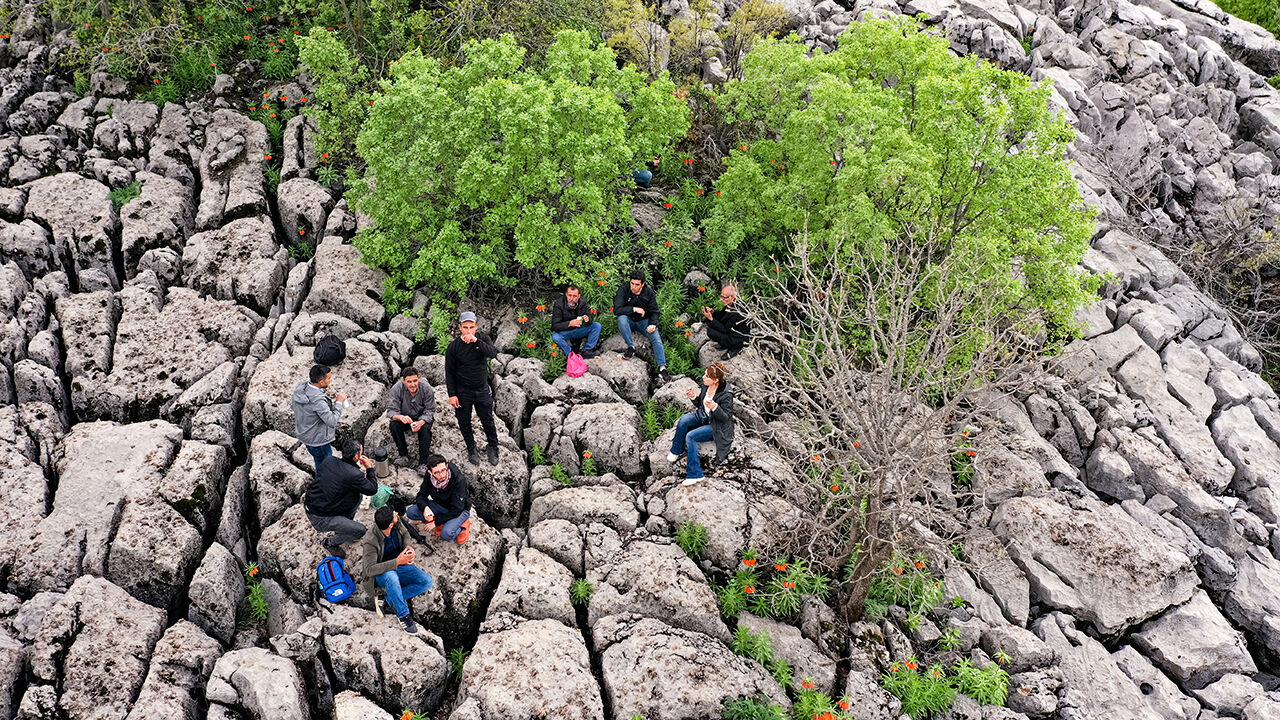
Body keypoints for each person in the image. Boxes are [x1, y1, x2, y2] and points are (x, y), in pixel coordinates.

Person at [358, 506, 433, 635]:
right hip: (380, 574)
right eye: (394, 514)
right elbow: (369, 569)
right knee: (391, 576)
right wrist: (397, 561)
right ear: (390, 524)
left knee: (426, 582)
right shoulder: (370, 541)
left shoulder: (397, 523)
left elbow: (406, 534)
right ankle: (403, 614)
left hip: (400, 565)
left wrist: (408, 548)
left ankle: (388, 599)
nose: (397, 514)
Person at [305, 439, 378, 557]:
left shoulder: (329, 460)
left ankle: (343, 528)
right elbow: (372, 489)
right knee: (361, 531)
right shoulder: (354, 474)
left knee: (356, 496)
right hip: (319, 516)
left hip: (314, 502)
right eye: (361, 452)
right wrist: (369, 468)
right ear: (356, 456)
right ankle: (330, 542)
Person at [445, 311, 501, 466]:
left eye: (471, 327)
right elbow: (449, 371)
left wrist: (476, 341)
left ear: (476, 327)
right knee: (464, 421)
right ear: (460, 328)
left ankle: (493, 446)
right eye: (465, 327)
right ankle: (471, 448)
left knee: (488, 420)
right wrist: (452, 394)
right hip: (463, 391)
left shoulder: (482, 339)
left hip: (482, 388)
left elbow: (493, 353)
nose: (468, 331)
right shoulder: (453, 347)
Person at [666, 362, 735, 485]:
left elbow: (726, 418)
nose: (703, 377)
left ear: (715, 380)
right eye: (704, 374)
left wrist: (715, 407)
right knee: (684, 420)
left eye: (707, 376)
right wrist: (693, 397)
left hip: (716, 426)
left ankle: (695, 474)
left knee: (691, 436)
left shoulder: (726, 395)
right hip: (703, 417)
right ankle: (676, 450)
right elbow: (700, 404)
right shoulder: (705, 386)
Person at [614, 270, 671, 382]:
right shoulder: (623, 289)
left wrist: (653, 324)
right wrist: (634, 309)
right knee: (621, 318)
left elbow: (654, 311)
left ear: (643, 284)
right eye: (632, 283)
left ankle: (662, 368)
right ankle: (631, 347)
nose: (633, 287)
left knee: (656, 339)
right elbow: (617, 309)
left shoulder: (648, 292)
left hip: (644, 322)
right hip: (628, 320)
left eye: (637, 284)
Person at [292, 364, 349, 468]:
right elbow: (332, 421)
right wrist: (339, 403)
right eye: (329, 378)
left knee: (320, 462)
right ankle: (323, 482)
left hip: (306, 434)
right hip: (318, 442)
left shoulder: (302, 388)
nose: (330, 380)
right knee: (324, 467)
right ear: (321, 382)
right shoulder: (317, 401)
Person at [408, 454, 473, 544]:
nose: (442, 475)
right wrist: (425, 508)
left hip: (459, 510)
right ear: (430, 472)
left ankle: (462, 527)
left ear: (447, 466)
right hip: (440, 504)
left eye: (443, 470)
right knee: (411, 512)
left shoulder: (458, 480)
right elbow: (421, 495)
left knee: (446, 535)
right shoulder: (429, 476)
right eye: (437, 472)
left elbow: (457, 509)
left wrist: (436, 522)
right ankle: (444, 522)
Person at [385, 366, 435, 473]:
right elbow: (391, 411)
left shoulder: (426, 389)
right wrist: (400, 417)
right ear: (403, 381)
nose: (413, 384)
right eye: (409, 382)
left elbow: (430, 410)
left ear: (419, 379)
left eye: (415, 381)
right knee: (394, 425)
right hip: (405, 418)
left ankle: (423, 462)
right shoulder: (396, 389)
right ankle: (403, 456)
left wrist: (421, 422)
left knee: (425, 430)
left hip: (421, 418)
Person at [550, 285, 601, 359]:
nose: (571, 298)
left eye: (574, 296)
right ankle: (571, 354)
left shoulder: (583, 302)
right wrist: (570, 323)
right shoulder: (559, 304)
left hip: (579, 330)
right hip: (565, 332)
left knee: (597, 326)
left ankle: (587, 350)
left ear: (579, 296)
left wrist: (587, 319)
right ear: (566, 294)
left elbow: (590, 318)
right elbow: (554, 326)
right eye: (569, 295)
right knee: (556, 337)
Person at [702, 285, 750, 360]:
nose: (721, 299)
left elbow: (725, 329)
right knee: (711, 323)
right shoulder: (731, 304)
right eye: (722, 296)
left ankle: (735, 348)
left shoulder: (738, 311)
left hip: (737, 339)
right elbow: (722, 315)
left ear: (733, 297)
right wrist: (713, 312)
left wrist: (711, 319)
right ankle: (725, 344)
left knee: (711, 332)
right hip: (731, 330)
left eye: (724, 297)